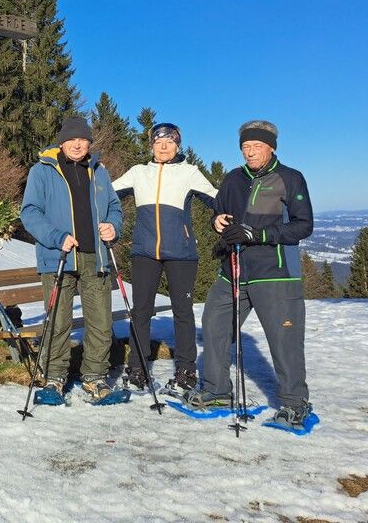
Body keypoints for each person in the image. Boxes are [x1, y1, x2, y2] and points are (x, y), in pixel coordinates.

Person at [186, 121, 314, 428]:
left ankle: (295, 403)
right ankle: (216, 389)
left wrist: (258, 234)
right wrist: (216, 220)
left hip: (276, 273)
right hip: (233, 270)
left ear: (271, 147)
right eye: (245, 147)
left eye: (256, 146)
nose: (250, 152)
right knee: (214, 324)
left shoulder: (290, 178)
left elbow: (303, 225)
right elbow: (219, 213)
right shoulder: (233, 178)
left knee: (284, 340)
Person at [19, 116, 123, 403]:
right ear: (62, 142)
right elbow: (29, 212)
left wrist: (113, 226)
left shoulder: (99, 171)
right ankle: (54, 379)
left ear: (89, 142)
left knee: (100, 322)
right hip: (59, 256)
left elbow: (114, 207)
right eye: (72, 139)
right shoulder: (42, 171)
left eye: (83, 139)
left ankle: (95, 378)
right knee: (58, 322)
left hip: (95, 257)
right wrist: (55, 236)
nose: (77, 144)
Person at [111, 123, 217, 394]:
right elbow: (107, 193)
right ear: (151, 145)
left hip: (181, 253)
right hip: (145, 251)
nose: (163, 146)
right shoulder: (138, 172)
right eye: (158, 142)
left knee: (183, 312)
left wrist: (224, 215)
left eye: (169, 142)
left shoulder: (189, 172)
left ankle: (185, 372)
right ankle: (137, 370)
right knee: (141, 311)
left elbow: (216, 199)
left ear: (178, 145)